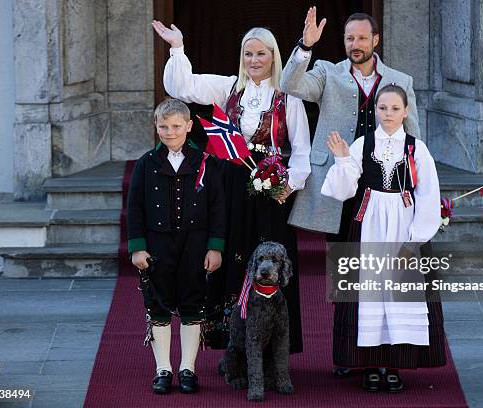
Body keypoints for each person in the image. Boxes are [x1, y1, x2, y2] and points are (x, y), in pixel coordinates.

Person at [152, 21, 311, 353]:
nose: (254, 60)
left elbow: (302, 149)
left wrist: (290, 185)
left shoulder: (288, 95)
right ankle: (235, 345)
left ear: (273, 56)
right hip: (233, 185)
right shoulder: (228, 88)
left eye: (261, 54)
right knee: (236, 257)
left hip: (273, 189)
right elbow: (183, 86)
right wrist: (177, 47)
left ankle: (274, 347)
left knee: (270, 259)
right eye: (248, 53)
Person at [321, 84, 445, 392]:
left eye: (394, 108)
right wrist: (341, 159)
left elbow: (429, 194)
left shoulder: (417, 148)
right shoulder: (364, 143)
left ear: (405, 111)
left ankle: (394, 364)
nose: (387, 114)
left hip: (403, 225)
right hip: (369, 224)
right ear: (374, 110)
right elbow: (344, 190)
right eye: (382, 108)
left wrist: (415, 238)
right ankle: (370, 364)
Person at [281, 9, 421, 237]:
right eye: (350, 38)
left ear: (375, 40)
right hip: (336, 175)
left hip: (381, 178)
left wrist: (416, 183)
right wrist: (305, 47)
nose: (355, 44)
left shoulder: (401, 81)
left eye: (362, 38)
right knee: (339, 248)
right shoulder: (327, 72)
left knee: (376, 244)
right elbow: (289, 85)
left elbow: (413, 137)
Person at [127, 98, 225, 395]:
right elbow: (135, 208)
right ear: (156, 127)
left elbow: (218, 207)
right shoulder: (146, 163)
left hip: (195, 244)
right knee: (157, 304)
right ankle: (162, 369)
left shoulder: (206, 162)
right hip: (157, 244)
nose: (169, 132)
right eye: (163, 127)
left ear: (189, 126)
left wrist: (215, 247)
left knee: (192, 303)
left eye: (176, 126)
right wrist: (138, 247)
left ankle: (187, 368)